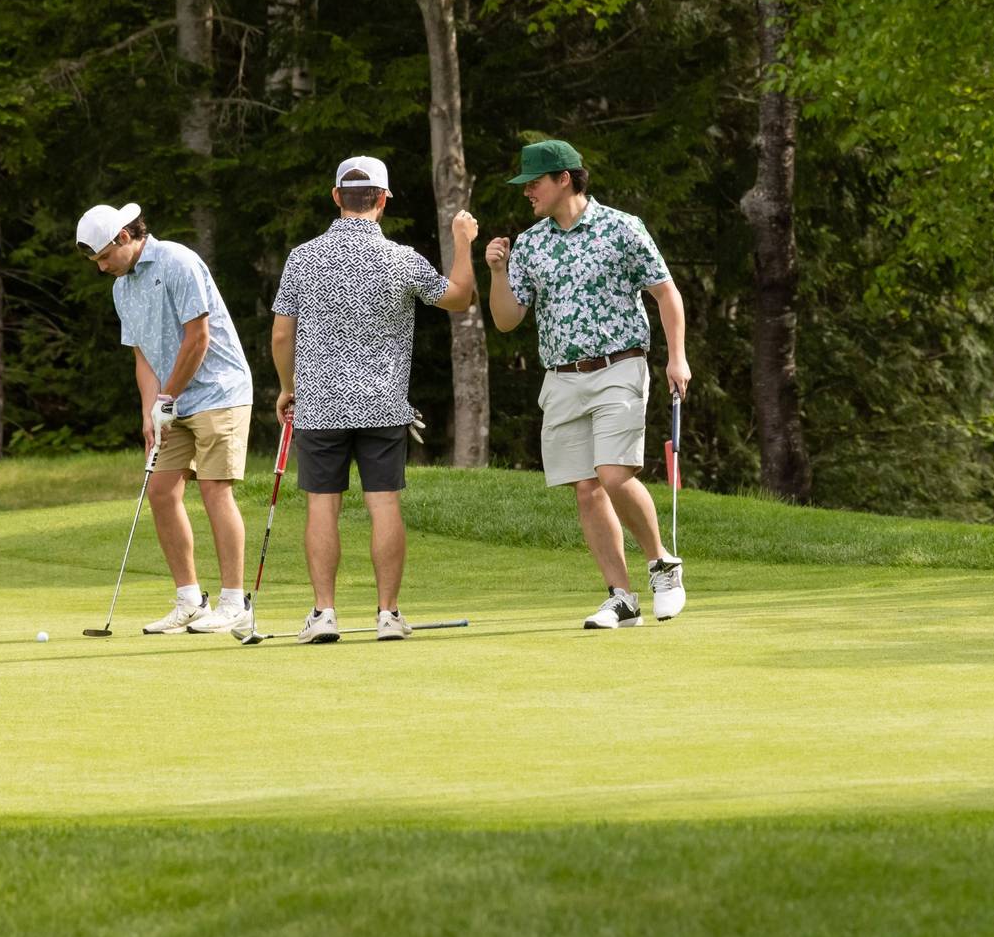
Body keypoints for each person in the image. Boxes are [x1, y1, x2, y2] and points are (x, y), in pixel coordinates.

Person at [270, 158, 478, 644]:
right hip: (382, 404)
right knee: (383, 504)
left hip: (319, 404)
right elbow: (460, 297)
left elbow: (283, 334)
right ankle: (388, 615)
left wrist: (288, 385)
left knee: (323, 507)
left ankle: (324, 614)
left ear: (336, 196)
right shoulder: (400, 259)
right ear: (382, 200)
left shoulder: (302, 257)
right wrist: (464, 242)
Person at [483, 139, 689, 629]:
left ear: (565, 179)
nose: (527, 192)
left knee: (614, 474)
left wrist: (677, 358)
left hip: (620, 364)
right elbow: (508, 319)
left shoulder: (622, 228)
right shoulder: (531, 243)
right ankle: (621, 597)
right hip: (561, 378)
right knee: (586, 488)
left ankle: (662, 564)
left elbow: (666, 294)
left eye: (534, 182)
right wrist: (495, 272)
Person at [74, 201, 256, 635]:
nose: (101, 268)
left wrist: (168, 397)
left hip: (219, 391)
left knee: (214, 490)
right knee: (161, 492)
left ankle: (235, 602)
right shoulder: (122, 288)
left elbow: (198, 338)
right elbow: (143, 354)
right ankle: (190, 600)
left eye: (103, 258)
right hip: (172, 401)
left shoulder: (178, 260)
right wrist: (149, 411)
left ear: (124, 238)